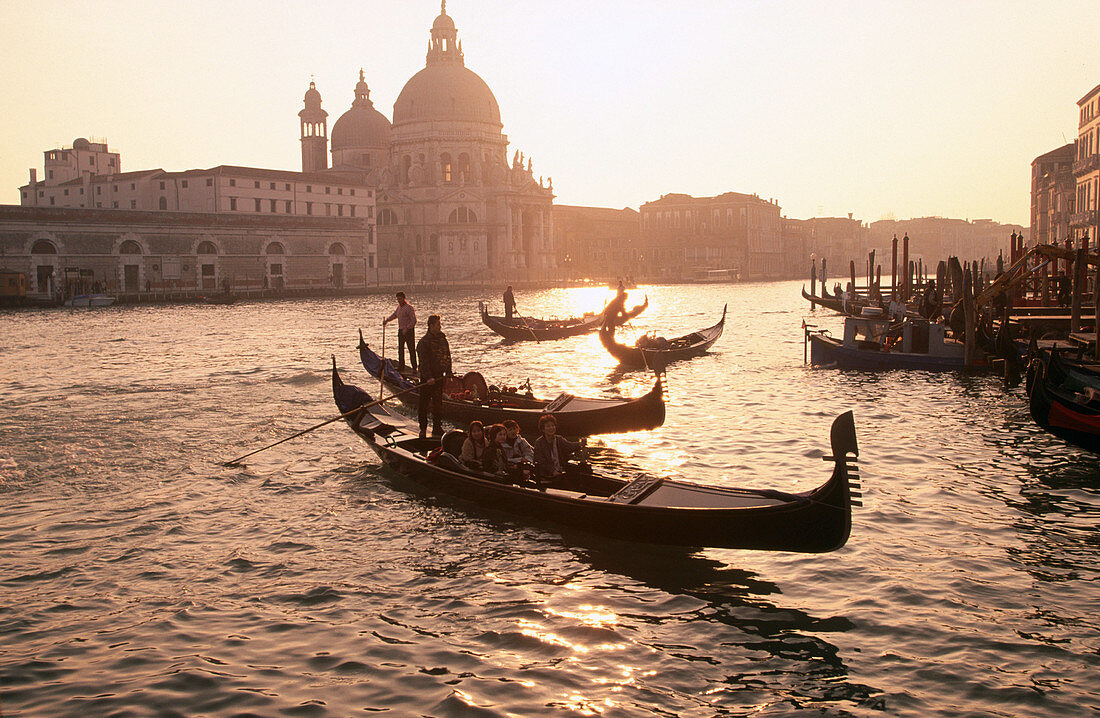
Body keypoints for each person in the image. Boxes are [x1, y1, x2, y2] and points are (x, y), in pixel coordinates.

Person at [415, 314, 452, 438]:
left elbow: (447, 355)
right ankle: (423, 428)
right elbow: (423, 362)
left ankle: (437, 428)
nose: (440, 327)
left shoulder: (442, 339)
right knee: (424, 404)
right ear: (431, 326)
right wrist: (429, 377)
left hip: (439, 376)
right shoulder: (423, 342)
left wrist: (448, 371)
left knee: (438, 404)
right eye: (437, 324)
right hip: (428, 378)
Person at [533, 414, 584, 482]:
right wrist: (552, 471)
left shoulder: (559, 439)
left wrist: (580, 444)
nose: (551, 428)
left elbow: (569, 446)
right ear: (543, 429)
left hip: (560, 470)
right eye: (548, 426)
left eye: (553, 425)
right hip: (546, 474)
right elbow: (541, 461)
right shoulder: (539, 443)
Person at [384, 291, 418, 372]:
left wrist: (407, 328)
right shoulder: (399, 308)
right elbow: (395, 315)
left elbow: (414, 321)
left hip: (409, 331)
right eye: (398, 299)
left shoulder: (409, 308)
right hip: (401, 330)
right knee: (401, 349)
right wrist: (387, 320)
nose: (399, 300)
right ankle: (401, 367)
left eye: (400, 299)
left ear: (403, 298)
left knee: (411, 349)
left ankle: (414, 368)